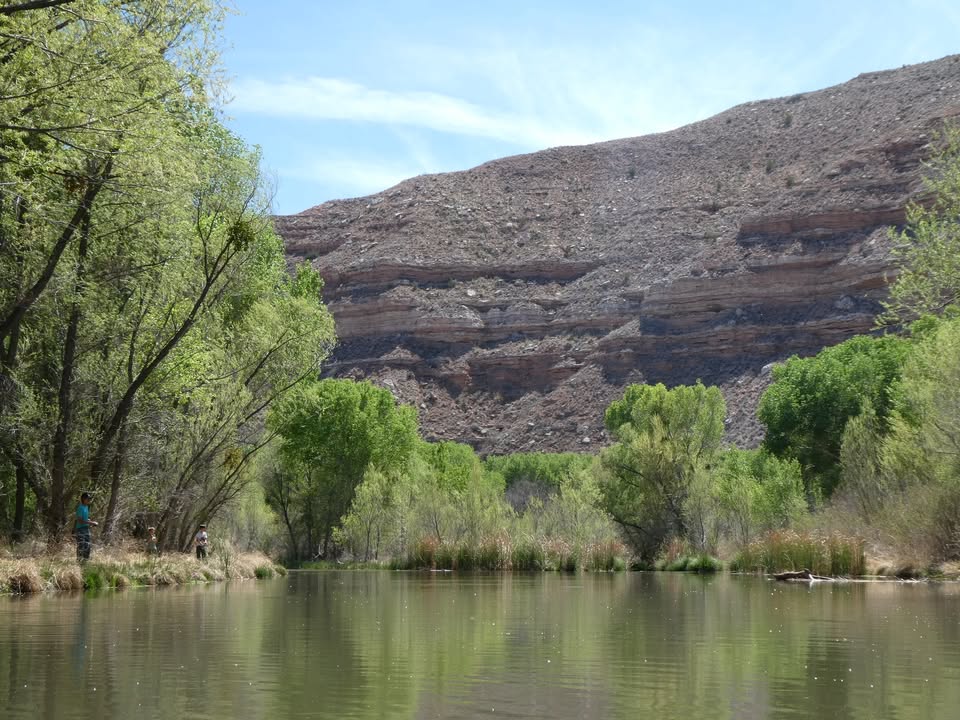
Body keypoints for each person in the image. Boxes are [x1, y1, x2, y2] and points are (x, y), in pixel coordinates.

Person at [74, 492, 98, 563]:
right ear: (83, 499)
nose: (89, 500)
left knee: (88, 545)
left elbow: (84, 518)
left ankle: (85, 562)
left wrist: (90, 521)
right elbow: (80, 520)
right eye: (88, 499)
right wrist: (91, 523)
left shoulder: (86, 507)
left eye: (90, 499)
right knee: (81, 546)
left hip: (86, 529)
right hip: (80, 529)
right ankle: (79, 562)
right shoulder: (80, 508)